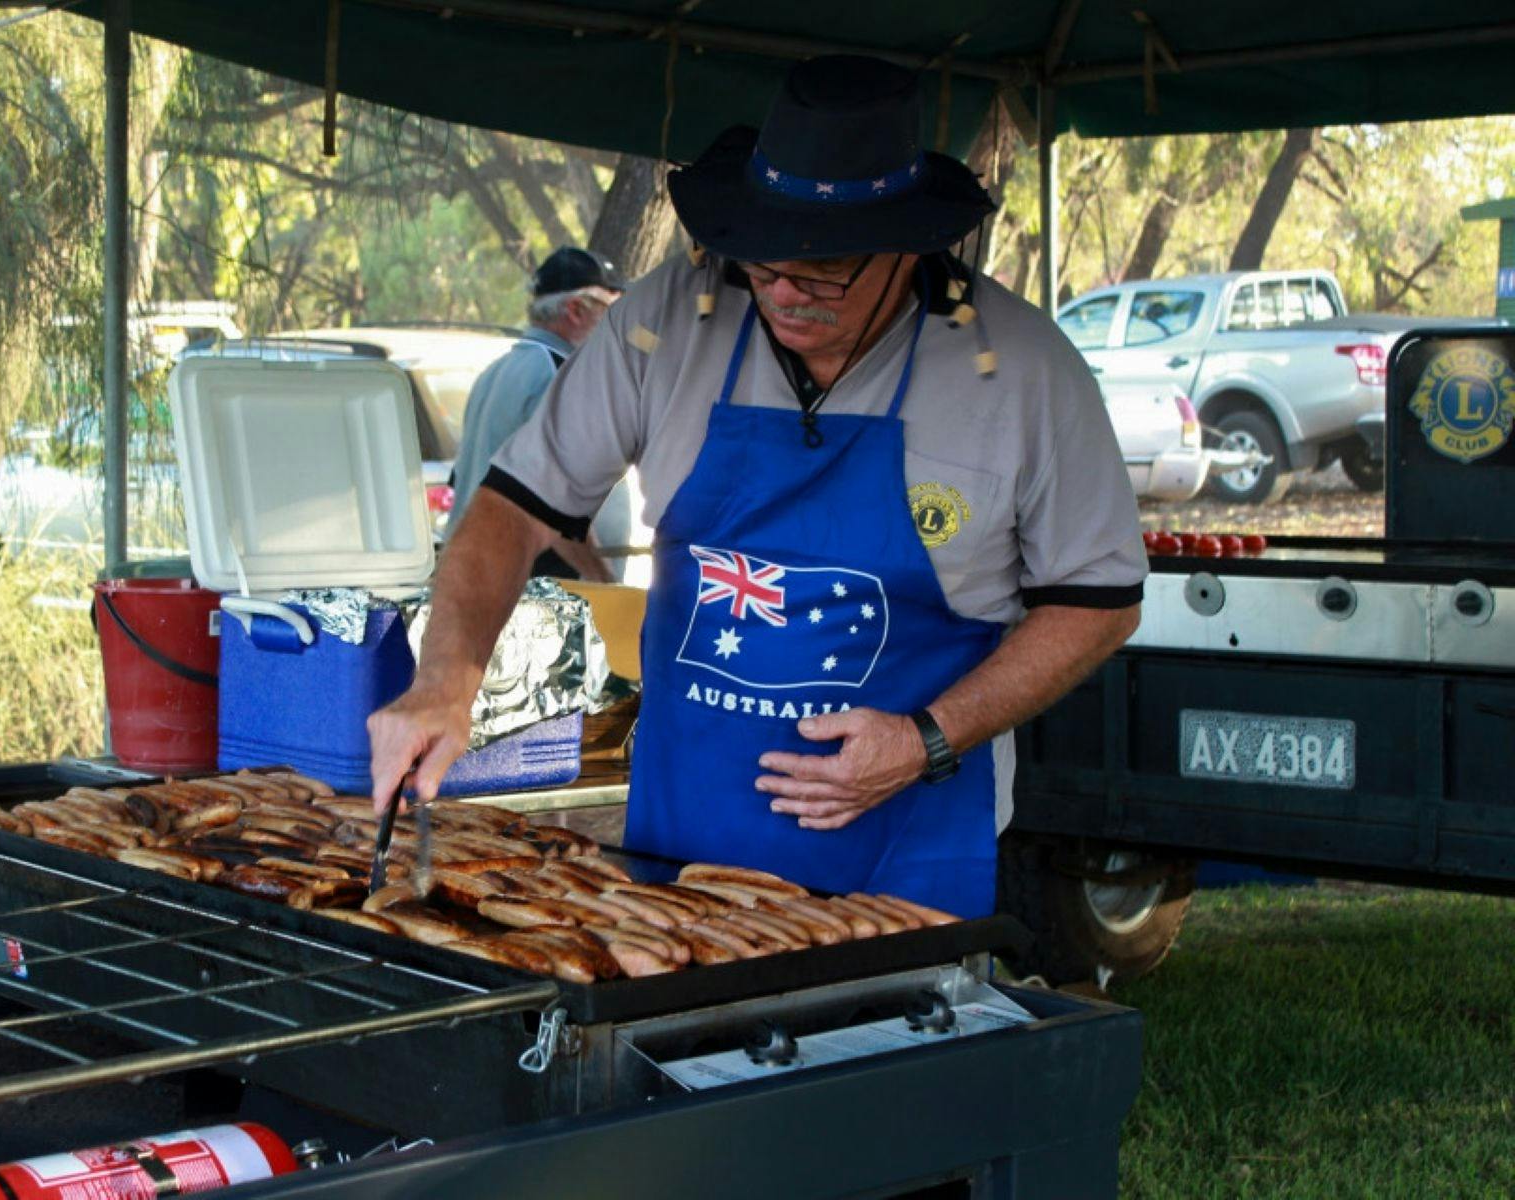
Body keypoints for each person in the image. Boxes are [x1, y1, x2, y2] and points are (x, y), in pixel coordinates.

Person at [369, 57, 1145, 919]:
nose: (781, 292)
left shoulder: (1023, 372)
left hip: (906, 849)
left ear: (907, 246)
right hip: (682, 849)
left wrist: (926, 739)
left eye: (821, 269)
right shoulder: (667, 322)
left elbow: (1100, 603)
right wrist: (446, 679)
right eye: (762, 262)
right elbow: (511, 510)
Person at [447, 246, 626, 581]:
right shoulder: (557, 377)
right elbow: (555, 506)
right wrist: (606, 582)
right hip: (542, 590)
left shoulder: (495, 371)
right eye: (612, 309)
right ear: (576, 310)